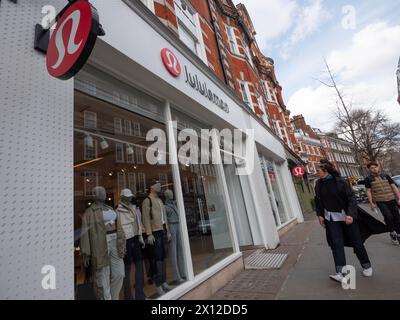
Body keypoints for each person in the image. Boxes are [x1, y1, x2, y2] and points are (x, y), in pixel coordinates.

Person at [315, 161, 373, 283]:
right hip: (331, 218)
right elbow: (318, 200)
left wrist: (350, 215)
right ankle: (340, 272)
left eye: (318, 170)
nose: (316, 172)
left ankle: (366, 265)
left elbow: (351, 198)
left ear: (326, 170)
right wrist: (320, 215)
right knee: (336, 244)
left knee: (357, 242)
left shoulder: (340, 181)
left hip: (347, 217)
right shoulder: (318, 184)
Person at [116, 189, 146, 300]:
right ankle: (128, 296)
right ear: (122, 197)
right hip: (127, 241)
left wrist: (140, 236)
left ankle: (140, 294)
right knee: (126, 269)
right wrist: (122, 244)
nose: (129, 198)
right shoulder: (118, 211)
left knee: (139, 265)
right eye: (127, 197)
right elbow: (120, 229)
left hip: (135, 239)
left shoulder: (133, 208)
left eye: (130, 197)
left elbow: (137, 224)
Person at [365, 161, 400, 245]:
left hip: (391, 199)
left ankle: (399, 234)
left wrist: (399, 198)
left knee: (397, 217)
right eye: (372, 168)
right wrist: (371, 203)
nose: (374, 169)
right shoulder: (368, 179)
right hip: (380, 201)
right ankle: (392, 232)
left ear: (378, 167)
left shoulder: (385, 176)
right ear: (369, 170)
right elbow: (368, 191)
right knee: (388, 216)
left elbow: (393, 187)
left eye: (375, 167)